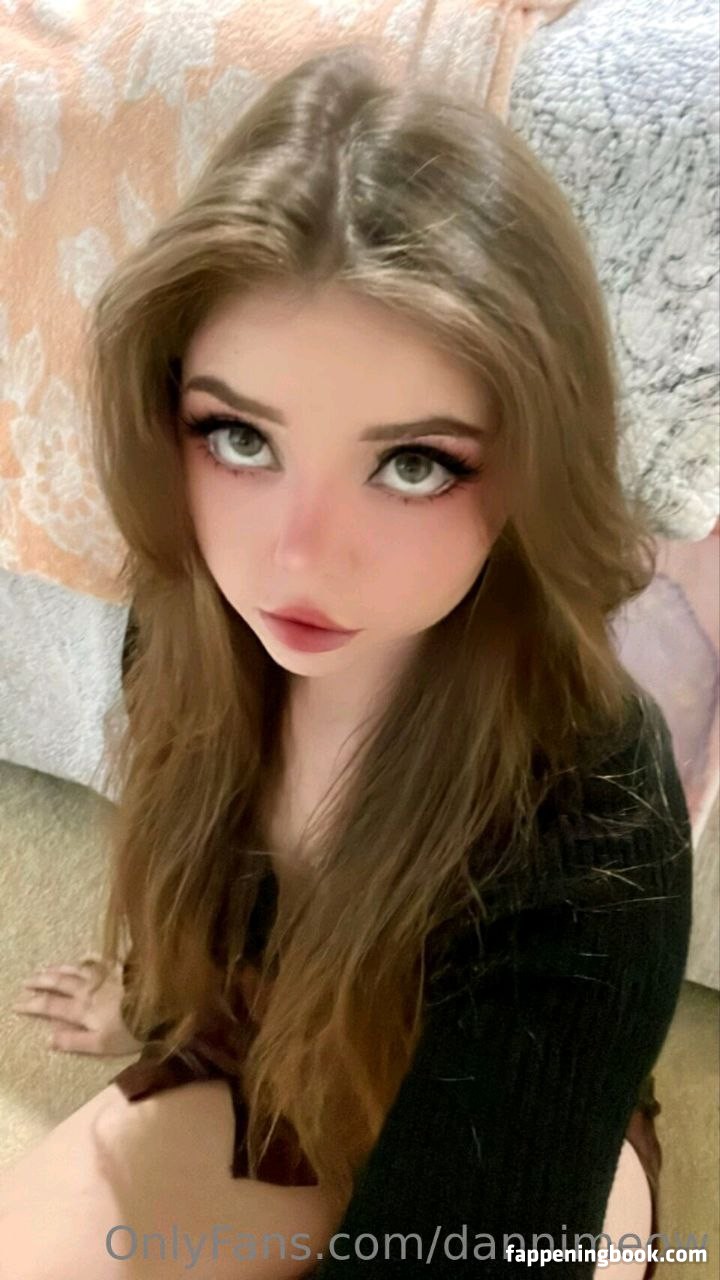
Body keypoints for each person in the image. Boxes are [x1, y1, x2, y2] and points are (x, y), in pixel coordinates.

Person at [3, 44, 692, 1280]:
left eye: (414, 462)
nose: (298, 557)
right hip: (281, 1042)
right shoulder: (187, 625)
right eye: (239, 436)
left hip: (518, 1114)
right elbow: (226, 893)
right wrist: (160, 1005)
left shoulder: (594, 804)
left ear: (532, 464)